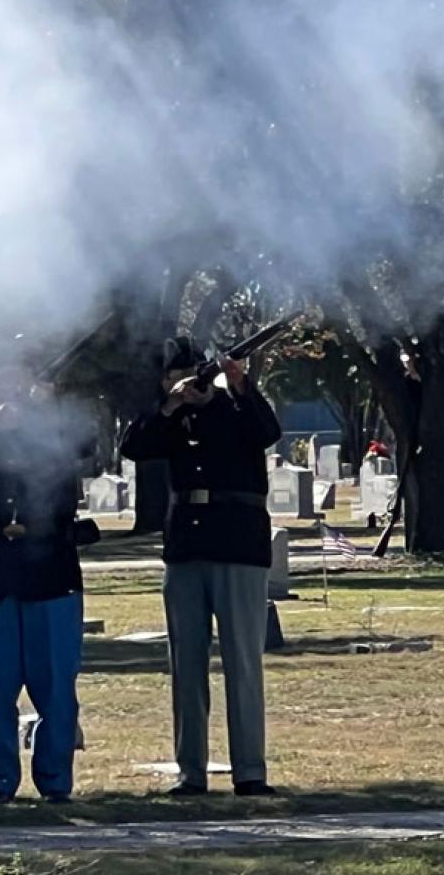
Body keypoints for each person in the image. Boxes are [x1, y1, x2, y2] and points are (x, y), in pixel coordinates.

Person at [119, 336, 282, 798]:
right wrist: (169, 407)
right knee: (186, 667)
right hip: (186, 548)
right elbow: (134, 445)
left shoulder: (235, 407)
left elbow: (268, 432)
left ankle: (250, 770)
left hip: (238, 544)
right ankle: (190, 771)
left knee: (243, 664)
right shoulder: (170, 420)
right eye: (174, 377)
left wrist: (239, 383)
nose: (185, 383)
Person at [0, 385, 94, 805]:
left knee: (55, 681)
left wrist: (46, 410)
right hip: (0, 568)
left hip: (51, 564)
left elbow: (88, 445)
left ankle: (55, 780)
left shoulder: (61, 421)